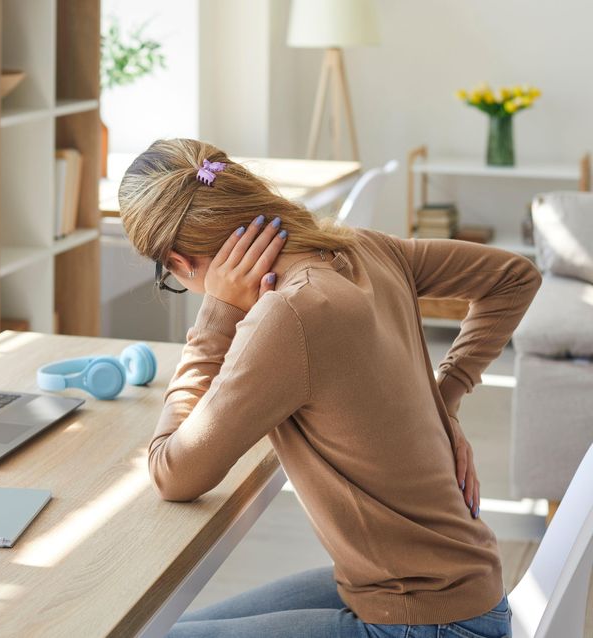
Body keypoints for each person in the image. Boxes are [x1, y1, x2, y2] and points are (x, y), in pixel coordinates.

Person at [117, 138, 541, 638]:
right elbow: (514, 276)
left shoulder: (289, 315)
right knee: (155, 628)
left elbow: (172, 473)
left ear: (179, 259)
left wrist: (217, 316)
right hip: (441, 589)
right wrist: (444, 399)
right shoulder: (363, 247)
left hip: (428, 619)